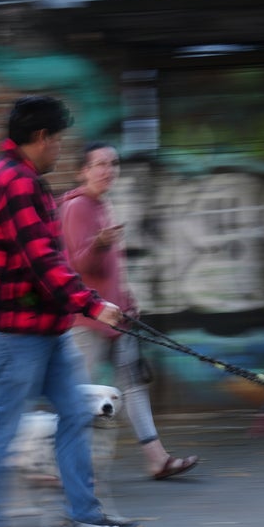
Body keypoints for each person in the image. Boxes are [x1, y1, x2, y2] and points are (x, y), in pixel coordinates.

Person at [0, 96, 142, 527]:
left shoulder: (23, 179)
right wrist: (93, 306)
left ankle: (83, 517)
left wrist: (84, 306)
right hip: (12, 331)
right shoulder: (13, 182)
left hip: (43, 328)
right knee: (6, 426)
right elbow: (43, 262)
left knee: (73, 414)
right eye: (58, 139)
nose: (60, 148)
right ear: (40, 138)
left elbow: (48, 262)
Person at [60, 142, 199, 480]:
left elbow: (111, 270)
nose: (108, 170)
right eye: (100, 164)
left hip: (118, 317)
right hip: (87, 320)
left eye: (113, 163)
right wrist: (100, 243)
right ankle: (61, 465)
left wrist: (128, 301)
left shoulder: (103, 205)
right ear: (83, 171)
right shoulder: (76, 207)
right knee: (79, 396)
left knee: (134, 387)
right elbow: (78, 266)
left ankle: (157, 459)